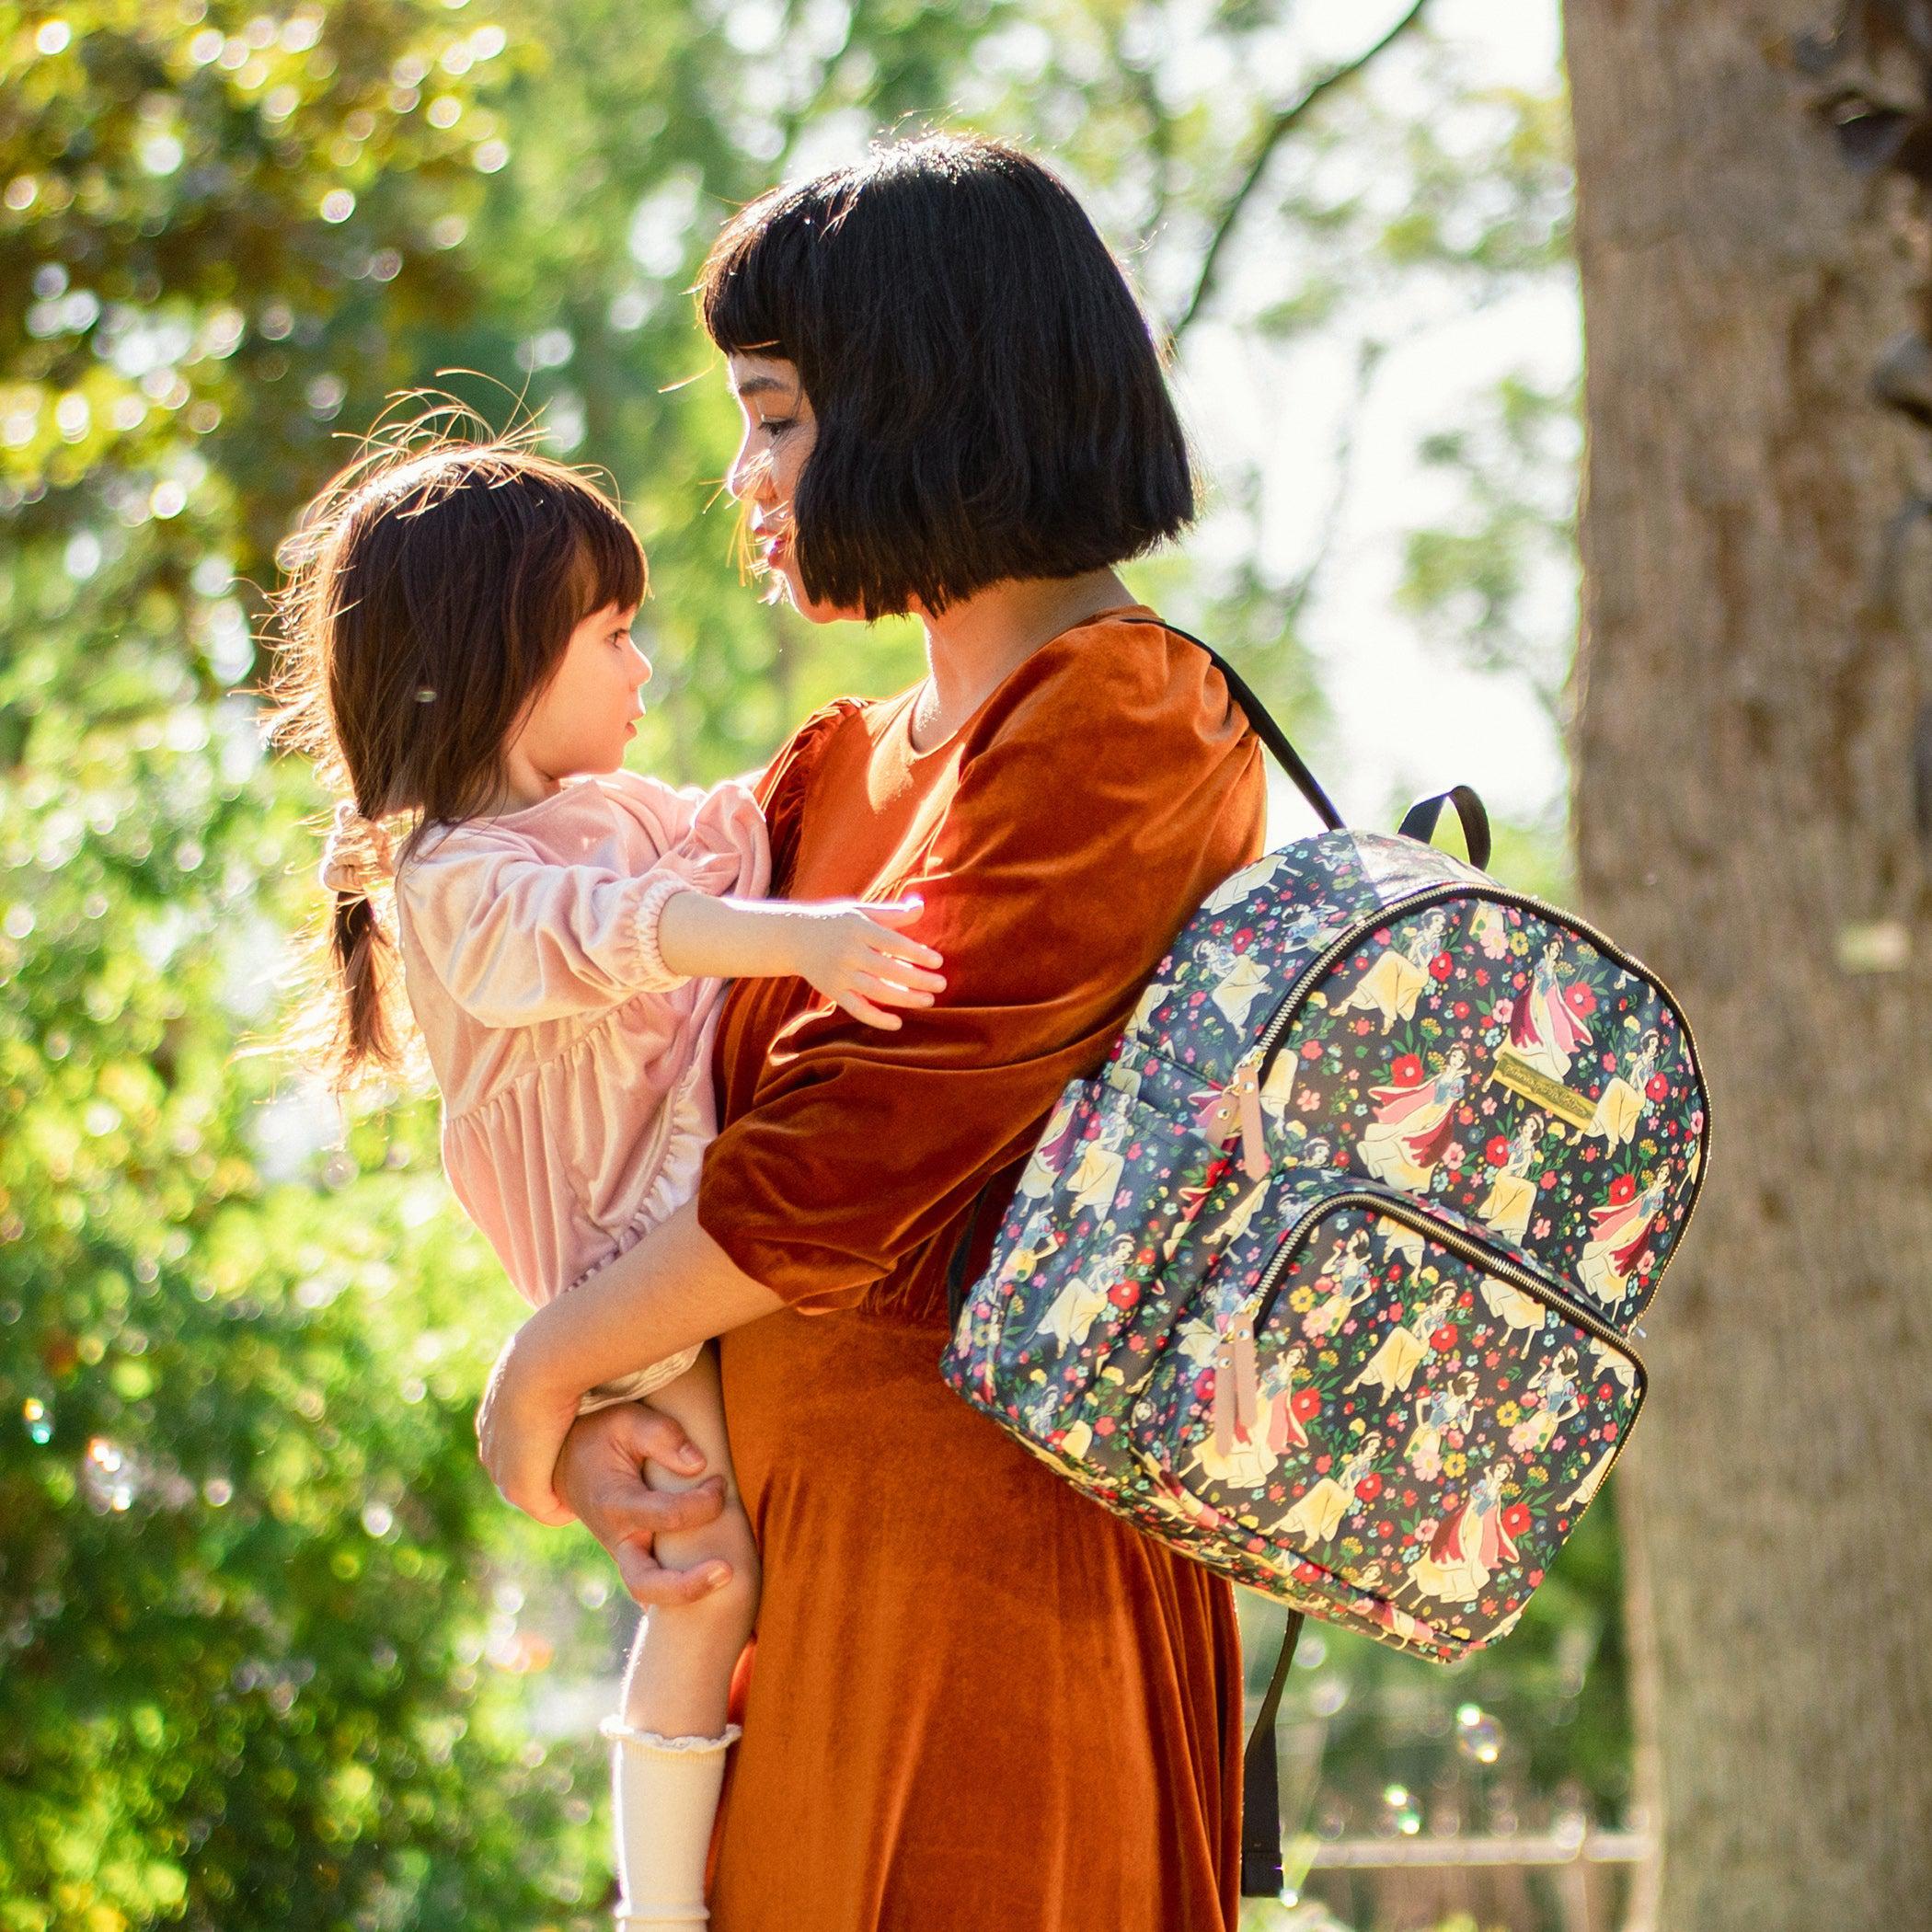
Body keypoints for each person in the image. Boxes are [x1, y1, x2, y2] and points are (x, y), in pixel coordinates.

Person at [477, 132, 1269, 1930]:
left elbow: (851, 1163)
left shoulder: (1123, 721)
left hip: (990, 1568)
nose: (744, 478)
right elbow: (645, 1084)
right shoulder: (839, 763)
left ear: (926, 403)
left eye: (777, 416)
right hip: (798, 1573)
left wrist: (543, 1369)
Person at [266, 436, 945, 1929]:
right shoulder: (453, 878)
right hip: (630, 1270)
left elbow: (736, 831)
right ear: (504, 659)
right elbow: (617, 927)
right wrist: (814, 940)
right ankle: (657, 1905)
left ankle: (701, 1872)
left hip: (679, 1235)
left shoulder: (614, 805)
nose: (644, 665)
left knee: (722, 1572)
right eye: (611, 635)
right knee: (710, 1578)